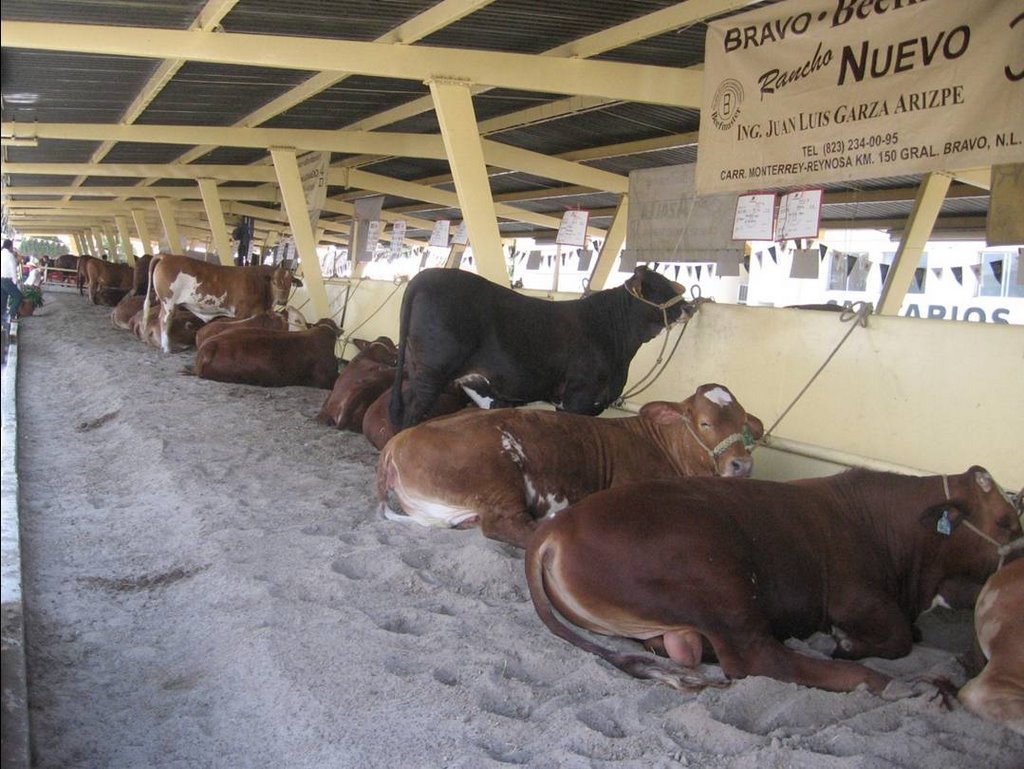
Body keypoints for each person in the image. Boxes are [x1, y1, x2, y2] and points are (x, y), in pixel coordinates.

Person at [1, 239, 24, 325]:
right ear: (10, 246)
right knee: (18, 296)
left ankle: (2, 320)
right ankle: (11, 315)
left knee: (3, 300)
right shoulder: (10, 256)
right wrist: (15, 282)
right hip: (7, 280)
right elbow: (13, 269)